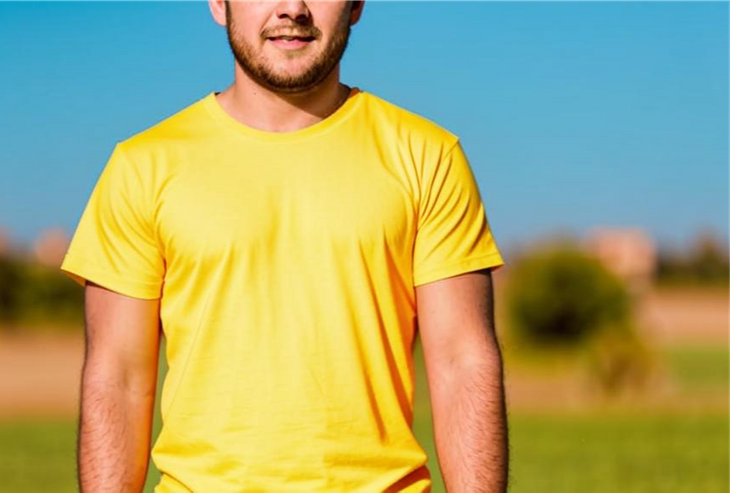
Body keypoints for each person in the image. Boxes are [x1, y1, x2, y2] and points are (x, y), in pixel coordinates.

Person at [59, 0, 509, 491]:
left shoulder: (428, 157)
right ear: (218, 4)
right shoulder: (141, 167)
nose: (292, 8)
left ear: (357, 6)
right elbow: (117, 378)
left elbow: (463, 362)